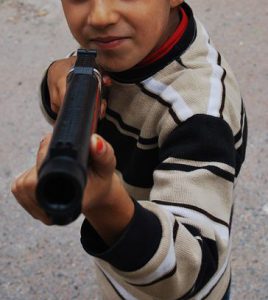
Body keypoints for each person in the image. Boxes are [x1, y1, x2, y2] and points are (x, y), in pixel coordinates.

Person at [11, 0, 247, 299]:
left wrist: (107, 206)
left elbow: (194, 269)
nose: (100, 16)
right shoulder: (121, 49)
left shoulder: (200, 113)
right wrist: (59, 78)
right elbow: (62, 104)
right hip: (124, 275)